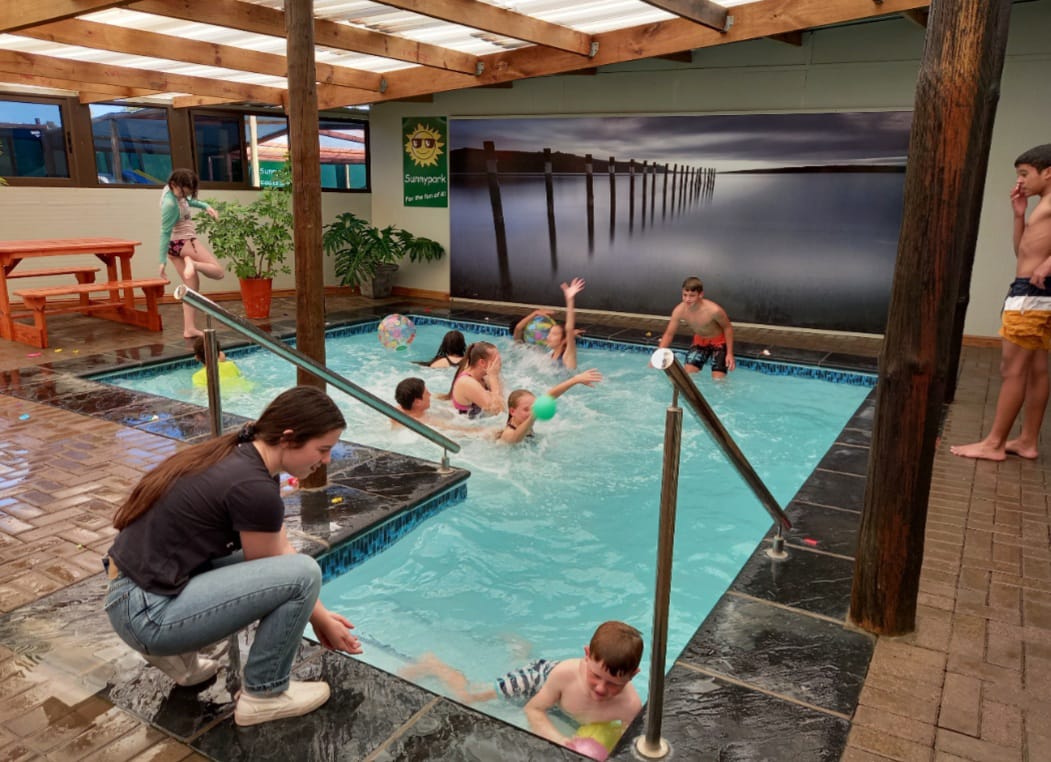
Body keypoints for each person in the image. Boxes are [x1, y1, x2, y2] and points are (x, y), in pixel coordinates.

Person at [103, 386, 363, 727]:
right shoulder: (254, 487)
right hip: (147, 615)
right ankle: (265, 694)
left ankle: (181, 660)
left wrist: (322, 615)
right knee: (305, 572)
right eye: (323, 449)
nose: (326, 460)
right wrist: (320, 619)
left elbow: (278, 548)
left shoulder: (240, 455)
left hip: (131, 594)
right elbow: (283, 571)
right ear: (288, 438)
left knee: (284, 566)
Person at [952, 144, 1051, 461]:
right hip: (1035, 292)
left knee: (1013, 369)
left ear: (1048, 173)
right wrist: (1019, 215)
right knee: (1037, 369)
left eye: (1025, 173)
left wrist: (1049, 264)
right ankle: (1027, 441)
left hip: (1031, 294)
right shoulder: (1042, 205)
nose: (1019, 181)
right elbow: (1021, 252)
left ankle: (994, 444)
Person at [400, 621, 643, 748]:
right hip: (539, 679)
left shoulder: (631, 707)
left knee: (519, 665)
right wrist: (562, 742)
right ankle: (433, 664)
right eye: (595, 676)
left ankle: (520, 650)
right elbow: (533, 709)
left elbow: (626, 745)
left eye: (614, 684)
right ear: (587, 656)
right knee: (470, 696)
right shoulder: (565, 675)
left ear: (633, 675)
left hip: (556, 697)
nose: (601, 688)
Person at [159, 169, 226, 339]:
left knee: (191, 289)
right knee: (218, 272)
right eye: (183, 193)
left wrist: (206, 207)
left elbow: (188, 201)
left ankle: (189, 329)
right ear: (174, 185)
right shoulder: (170, 204)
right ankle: (193, 263)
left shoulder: (172, 190)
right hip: (184, 242)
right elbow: (164, 232)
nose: (184, 196)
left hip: (174, 248)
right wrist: (161, 262)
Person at [657, 276, 735, 378]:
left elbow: (728, 328)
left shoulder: (714, 310)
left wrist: (729, 354)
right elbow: (669, 334)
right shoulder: (679, 310)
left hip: (719, 342)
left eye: (692, 296)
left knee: (718, 379)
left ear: (700, 295)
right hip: (700, 341)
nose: (687, 299)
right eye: (685, 295)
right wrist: (658, 355)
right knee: (688, 375)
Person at [498, 369, 603, 444]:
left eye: (533, 407)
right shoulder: (508, 434)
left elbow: (551, 395)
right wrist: (532, 418)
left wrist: (575, 380)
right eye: (526, 409)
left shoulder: (523, 421)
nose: (531, 412)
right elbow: (516, 438)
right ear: (512, 411)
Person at [512, 277, 587, 370]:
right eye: (550, 333)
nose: (548, 336)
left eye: (554, 334)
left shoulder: (567, 357)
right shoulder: (549, 355)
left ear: (563, 340)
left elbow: (569, 328)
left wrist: (570, 300)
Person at [448, 341, 505, 418]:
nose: (499, 362)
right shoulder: (467, 382)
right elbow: (497, 410)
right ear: (482, 362)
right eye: (496, 359)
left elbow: (503, 404)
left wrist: (494, 377)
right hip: (463, 423)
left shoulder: (484, 377)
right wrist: (493, 377)